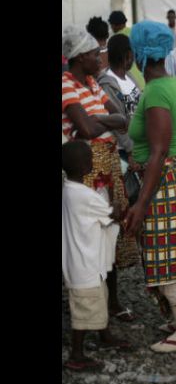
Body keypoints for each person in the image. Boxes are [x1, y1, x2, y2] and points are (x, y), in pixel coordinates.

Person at [125, 20, 176, 353]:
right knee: (174, 254)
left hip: (165, 183)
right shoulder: (172, 83)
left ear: (138, 52)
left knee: (167, 257)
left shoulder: (157, 91)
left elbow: (158, 150)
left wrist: (141, 204)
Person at [62, 25, 140, 323]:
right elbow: (85, 129)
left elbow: (123, 118)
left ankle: (110, 302)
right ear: (80, 57)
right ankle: (93, 305)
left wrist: (99, 120)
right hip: (86, 168)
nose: (100, 58)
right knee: (91, 235)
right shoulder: (66, 84)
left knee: (111, 231)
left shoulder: (93, 83)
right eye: (96, 54)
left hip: (108, 164)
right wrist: (105, 121)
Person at [62, 141, 131, 371]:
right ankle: (76, 355)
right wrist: (116, 203)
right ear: (85, 167)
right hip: (86, 265)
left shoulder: (68, 189)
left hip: (80, 262)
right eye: (91, 159)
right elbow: (112, 215)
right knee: (85, 310)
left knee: (98, 299)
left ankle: (105, 335)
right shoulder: (84, 195)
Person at [97, 34, 142, 169]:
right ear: (127, 55)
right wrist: (130, 150)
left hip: (139, 144)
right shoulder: (108, 84)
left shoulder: (128, 76)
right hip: (125, 150)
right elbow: (117, 121)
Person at [108, 10, 146, 90]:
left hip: (129, 80)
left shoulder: (116, 40)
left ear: (114, 25)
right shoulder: (135, 33)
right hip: (143, 78)